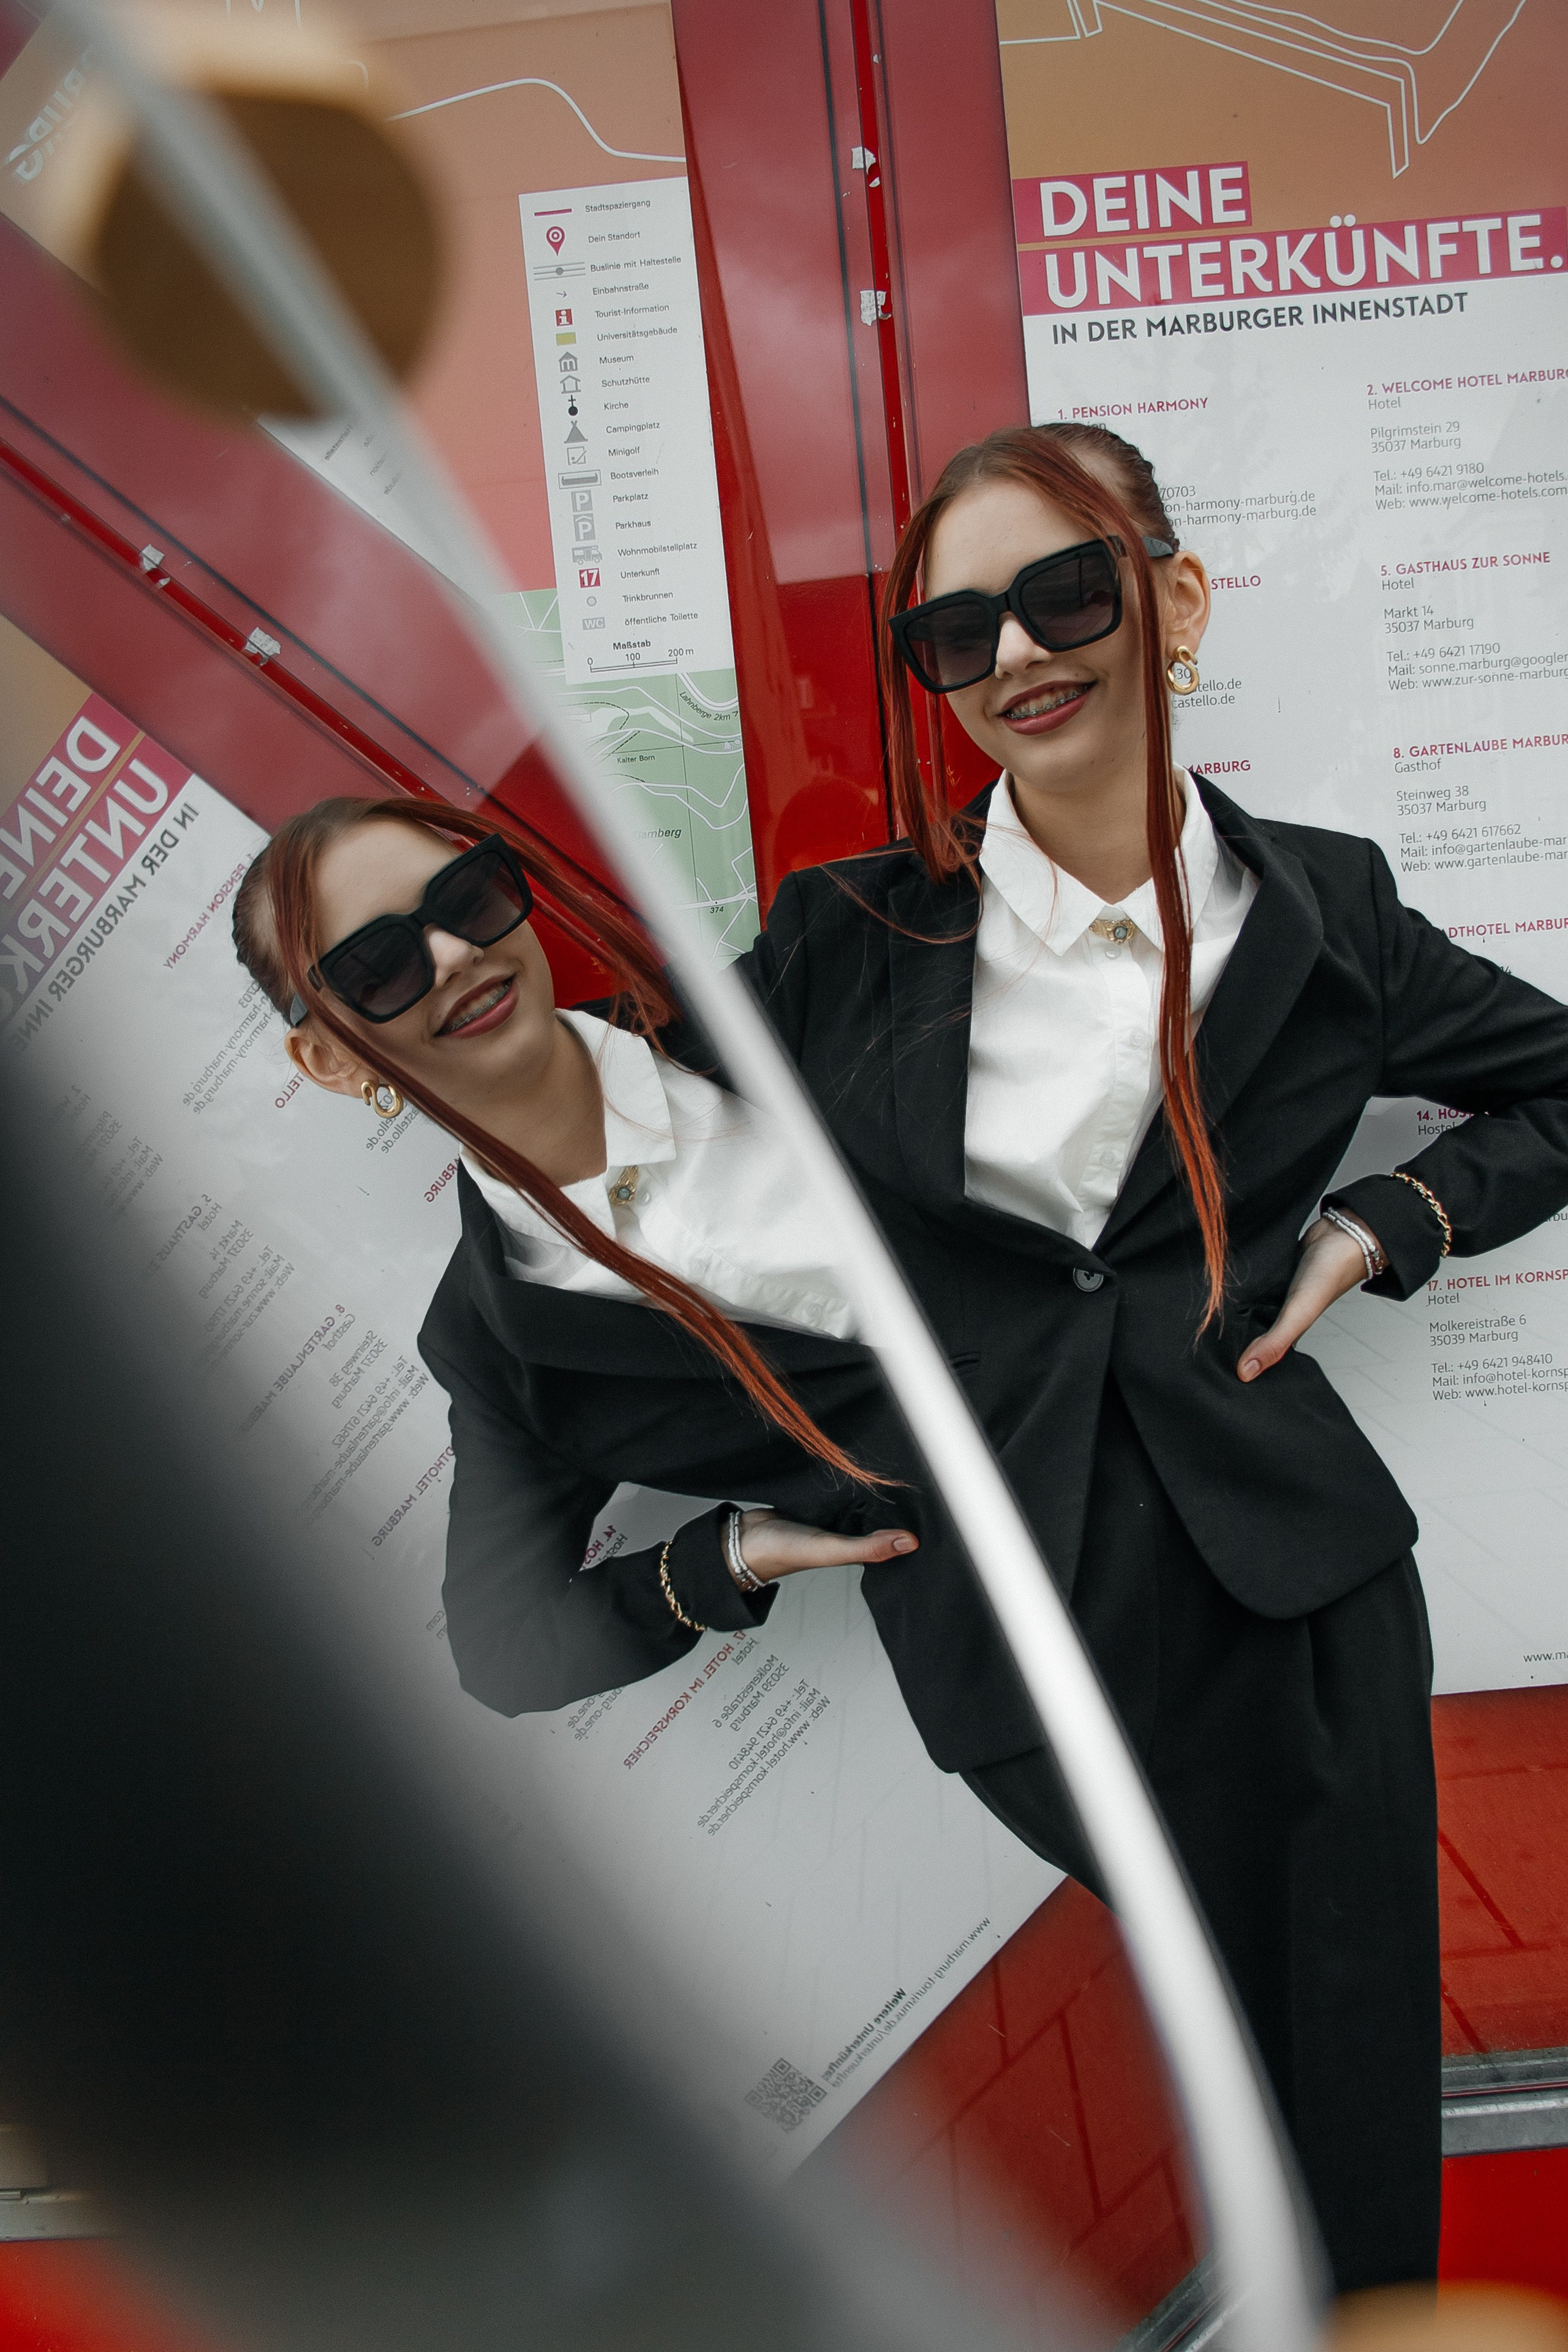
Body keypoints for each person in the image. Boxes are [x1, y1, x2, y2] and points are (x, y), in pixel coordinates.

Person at [736, 421, 1568, 2295]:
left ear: (1173, 600)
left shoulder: (1326, 908)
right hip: (1019, 1596)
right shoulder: (848, 936)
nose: (1019, 654)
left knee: (1338, 2081)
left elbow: (1558, 1083)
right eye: (960, 633)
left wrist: (1385, 1226)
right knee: (1221, 2037)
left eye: (1066, 591)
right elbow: (696, 1209)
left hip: (1298, 1582)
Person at [231, 797, 926, 1714]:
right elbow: (505, 1651)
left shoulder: (799, 976)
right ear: (328, 1062)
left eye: (463, 899)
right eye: (377, 965)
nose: (451, 954)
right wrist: (725, 1557)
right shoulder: (501, 1347)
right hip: (1014, 1632)